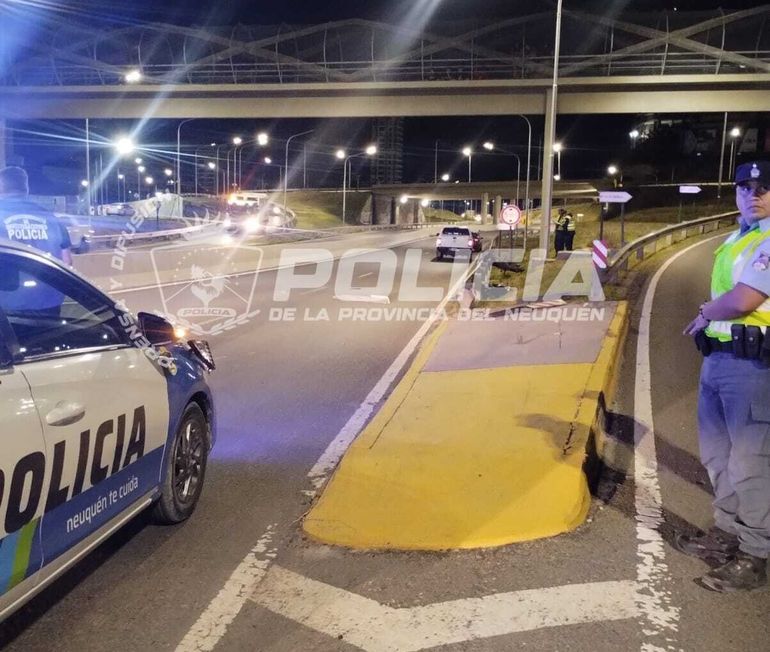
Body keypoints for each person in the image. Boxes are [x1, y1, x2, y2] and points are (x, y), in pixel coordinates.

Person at [680, 160, 770, 592]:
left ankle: (754, 556)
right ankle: (726, 534)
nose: (754, 193)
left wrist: (703, 313)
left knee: (751, 462)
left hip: (753, 367)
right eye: (745, 186)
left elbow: (744, 298)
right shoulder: (738, 238)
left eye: (765, 186)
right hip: (717, 359)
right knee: (718, 456)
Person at [0, 166, 72, 265]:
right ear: (26, 188)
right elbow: (67, 262)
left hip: (8, 279)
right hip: (46, 279)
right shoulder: (52, 219)